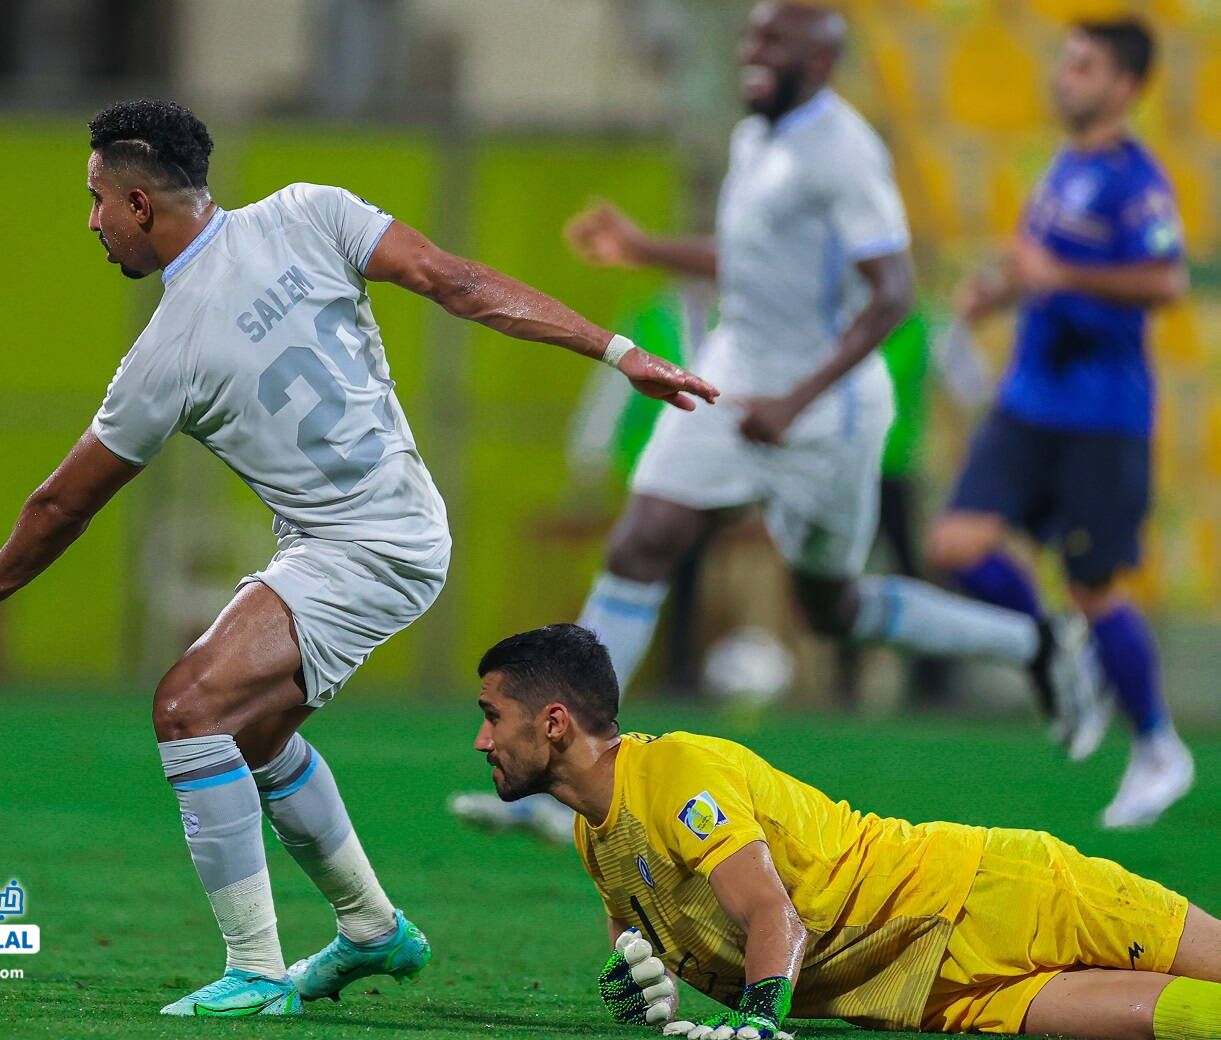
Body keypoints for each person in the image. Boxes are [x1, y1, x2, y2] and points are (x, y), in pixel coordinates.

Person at [0, 99, 717, 1018]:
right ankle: (373, 929)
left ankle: (255, 971)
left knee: (188, 709)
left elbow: (63, 502)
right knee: (251, 735)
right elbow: (457, 283)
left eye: (97, 200)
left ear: (140, 205)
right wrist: (618, 352)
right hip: (387, 529)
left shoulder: (163, 353)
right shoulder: (311, 210)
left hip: (366, 545)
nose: (90, 221)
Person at [450, 0, 1098, 843]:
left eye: (774, 44)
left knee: (830, 607)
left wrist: (797, 401)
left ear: (820, 62)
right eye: (751, 39)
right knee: (639, 544)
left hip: (823, 414)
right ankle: (556, 779)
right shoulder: (756, 135)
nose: (754, 55)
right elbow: (749, 256)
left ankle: (1039, 643)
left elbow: (893, 292)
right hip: (729, 381)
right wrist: (648, 250)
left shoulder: (844, 152)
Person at [471, 624, 1221, 1040]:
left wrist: (760, 1022)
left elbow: (774, 914)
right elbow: (642, 946)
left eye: (492, 716)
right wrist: (638, 991)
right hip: (928, 992)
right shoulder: (594, 834)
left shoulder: (675, 771)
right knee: (1190, 1022)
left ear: (554, 722)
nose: (481, 740)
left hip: (987, 890)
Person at [927, 17, 1193, 829]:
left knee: (1094, 587)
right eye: (1066, 63)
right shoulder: (1063, 167)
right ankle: (1052, 650)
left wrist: (1060, 272)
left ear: (1123, 85)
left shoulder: (1135, 180)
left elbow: (1166, 280)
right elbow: (1035, 266)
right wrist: (996, 291)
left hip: (1099, 417)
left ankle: (1155, 745)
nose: (1063, 77)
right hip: (1026, 401)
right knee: (954, 548)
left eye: (1082, 66)